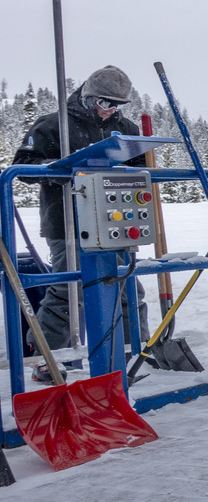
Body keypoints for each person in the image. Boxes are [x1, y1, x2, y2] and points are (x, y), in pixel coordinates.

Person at [13, 65, 148, 384]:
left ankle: (136, 351)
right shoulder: (53, 124)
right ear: (88, 96)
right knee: (68, 290)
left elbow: (141, 167)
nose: (110, 110)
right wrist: (60, 169)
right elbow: (22, 165)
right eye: (104, 102)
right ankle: (46, 359)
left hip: (114, 219)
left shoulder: (125, 129)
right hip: (66, 221)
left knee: (127, 286)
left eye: (117, 105)